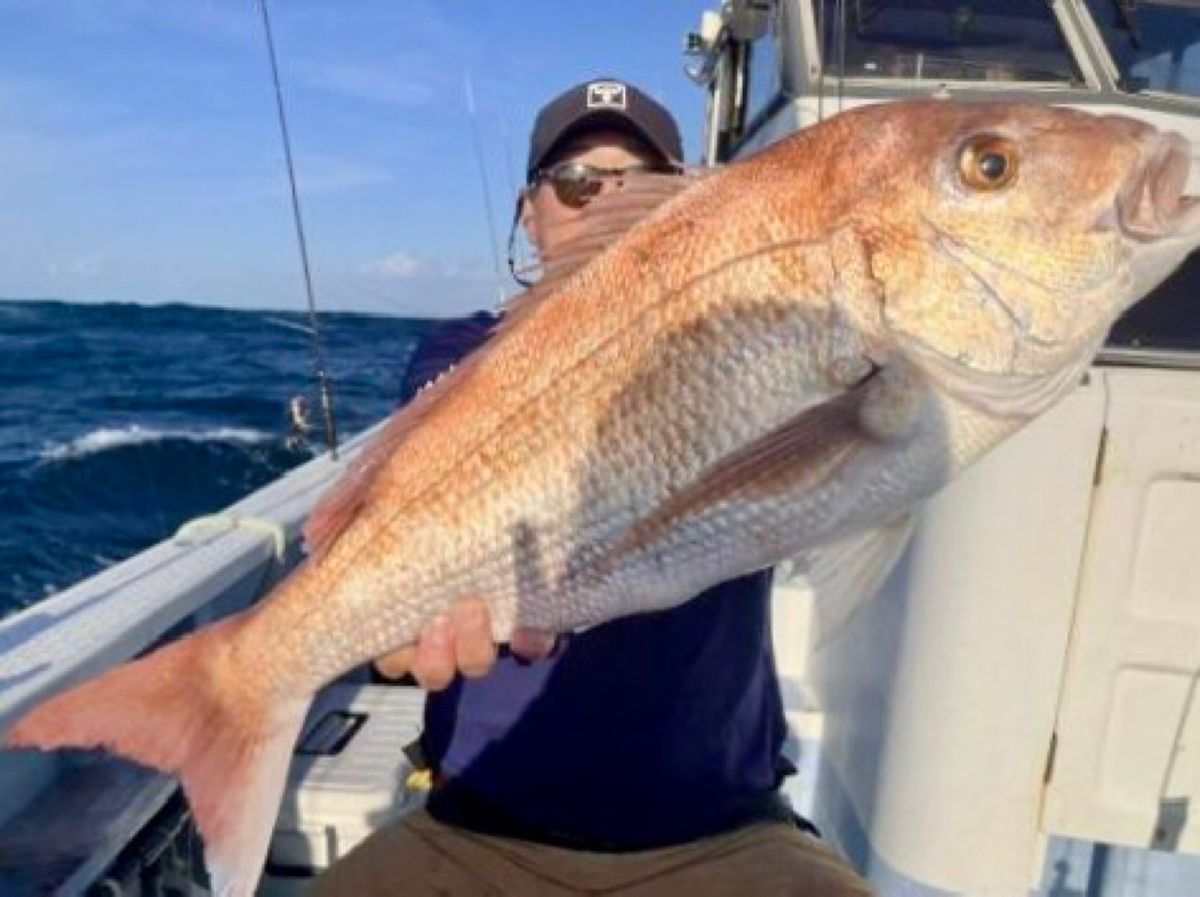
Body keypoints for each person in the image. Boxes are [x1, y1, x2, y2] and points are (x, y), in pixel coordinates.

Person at [313, 78, 872, 897]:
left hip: (720, 832)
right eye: (575, 183)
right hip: (478, 827)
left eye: (639, 185)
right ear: (528, 211)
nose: (604, 203)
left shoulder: (750, 334)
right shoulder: (461, 351)